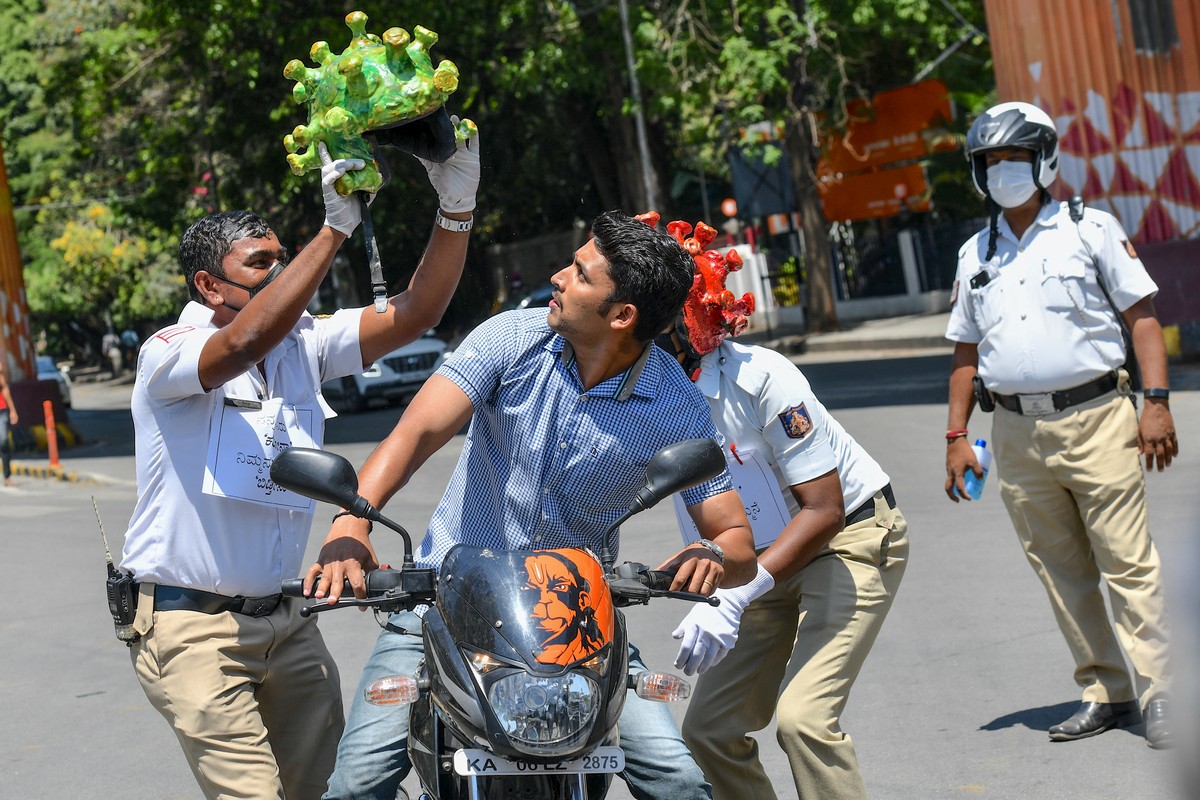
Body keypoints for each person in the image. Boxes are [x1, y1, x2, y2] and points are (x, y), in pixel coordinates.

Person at [311, 209, 758, 800]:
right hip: (441, 606)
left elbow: (737, 541)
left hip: (577, 623)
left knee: (677, 783)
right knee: (356, 784)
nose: (557, 277)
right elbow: (413, 436)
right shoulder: (512, 340)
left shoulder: (676, 406)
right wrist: (351, 523)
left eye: (579, 273)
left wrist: (711, 554)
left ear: (622, 315)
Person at [117, 128, 481, 800]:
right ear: (207, 283)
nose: (285, 273)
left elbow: (416, 312)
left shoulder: (302, 342)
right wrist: (333, 232)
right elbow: (240, 344)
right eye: (263, 264)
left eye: (286, 258)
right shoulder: (171, 351)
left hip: (287, 622)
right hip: (192, 627)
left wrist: (455, 207)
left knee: (331, 792)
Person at [943, 101, 1176, 748]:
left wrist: (1155, 400)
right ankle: (1106, 689)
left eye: (1014, 157)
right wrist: (957, 436)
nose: (1002, 171)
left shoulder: (1090, 230)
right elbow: (965, 353)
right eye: (989, 161)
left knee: (1128, 564)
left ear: (1044, 161)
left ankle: (1161, 693)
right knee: (1059, 569)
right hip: (1017, 434)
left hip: (1099, 417)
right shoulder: (974, 252)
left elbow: (1144, 318)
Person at [659, 220, 908, 800]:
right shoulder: (648, 394)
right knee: (708, 731)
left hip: (845, 539)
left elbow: (824, 510)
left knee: (804, 722)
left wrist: (737, 596)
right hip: (758, 561)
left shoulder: (761, 377)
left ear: (688, 318)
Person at [0, 361, 17, 486]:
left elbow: (5, 388)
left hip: (1, 410)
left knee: (3, 440)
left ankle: (7, 476)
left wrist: (12, 410)